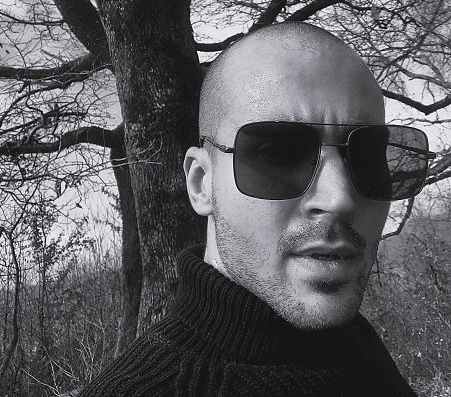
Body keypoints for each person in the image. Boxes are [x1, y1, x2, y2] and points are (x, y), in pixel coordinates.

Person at [81, 22, 434, 396]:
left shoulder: (351, 340)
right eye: (278, 155)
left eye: (367, 157)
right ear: (201, 184)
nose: (339, 199)